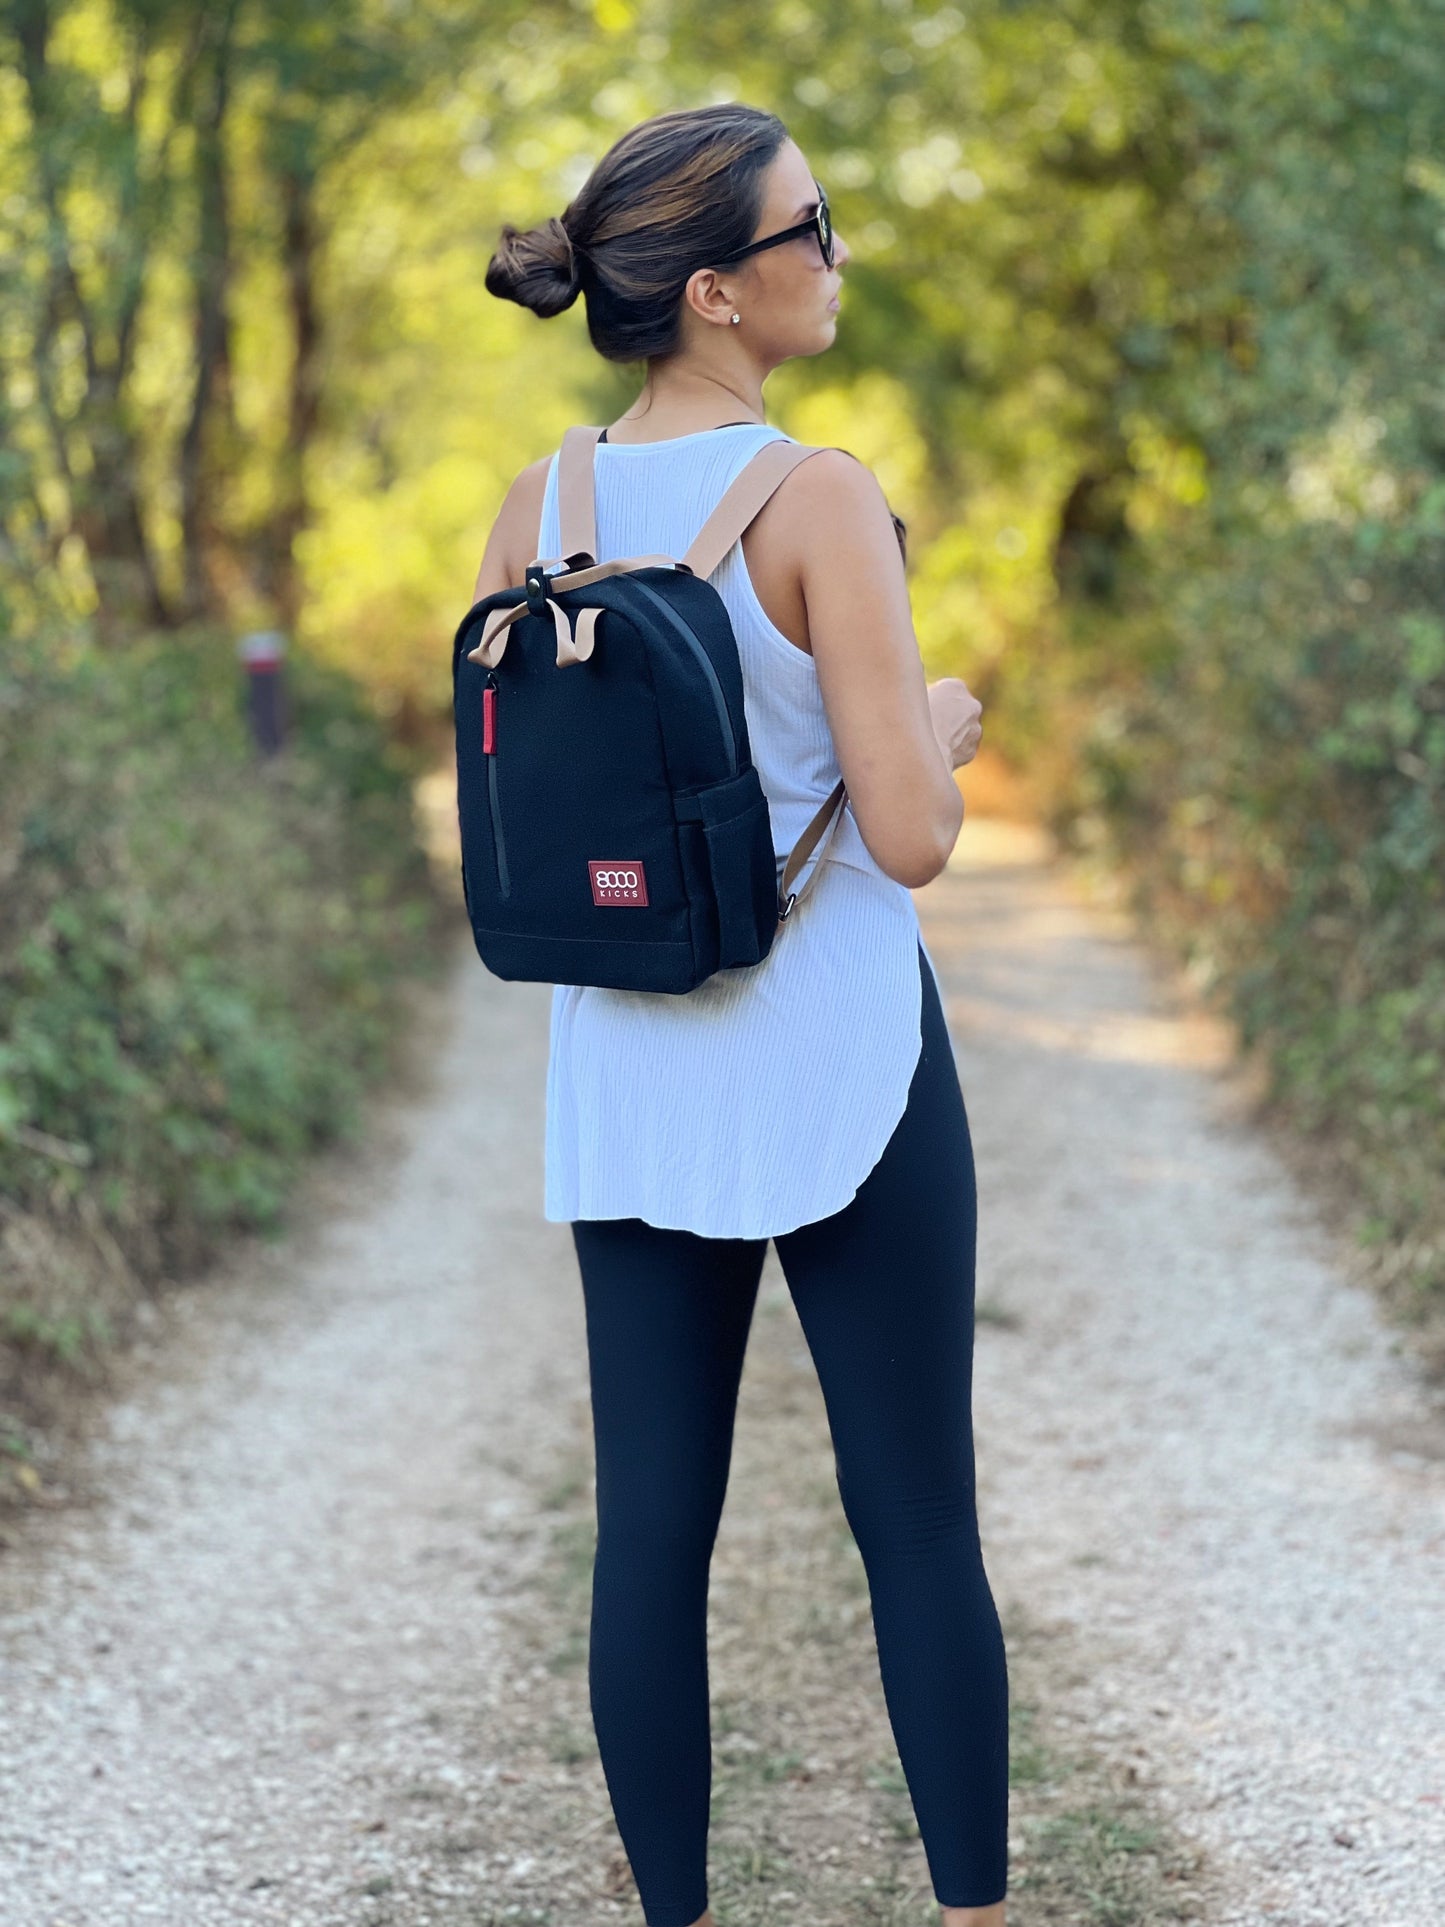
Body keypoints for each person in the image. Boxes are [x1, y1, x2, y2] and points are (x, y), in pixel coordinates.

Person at [473, 101, 1007, 1927]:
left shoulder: (533, 509)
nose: (835, 255)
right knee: (917, 1517)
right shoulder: (817, 495)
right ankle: (974, 1915)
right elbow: (916, 842)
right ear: (713, 289)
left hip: (625, 1062)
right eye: (813, 228)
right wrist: (927, 721)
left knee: (650, 1537)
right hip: (838, 1055)